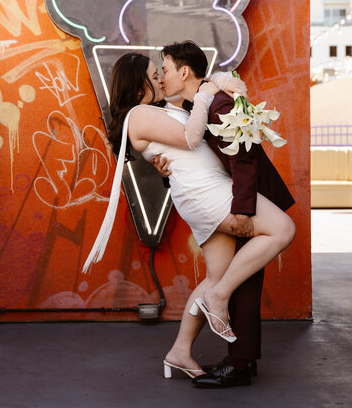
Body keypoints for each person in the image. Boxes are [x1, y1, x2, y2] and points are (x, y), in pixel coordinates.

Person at [86, 47, 295, 388]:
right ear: (138, 83)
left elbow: (187, 133)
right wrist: (205, 97)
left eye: (162, 70)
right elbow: (190, 136)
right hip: (206, 193)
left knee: (216, 276)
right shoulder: (137, 115)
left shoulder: (159, 110)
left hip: (204, 191)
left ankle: (180, 351)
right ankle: (220, 297)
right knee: (282, 230)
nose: (159, 76)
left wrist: (217, 84)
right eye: (154, 73)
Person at [154, 41, 296, 388]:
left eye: (166, 69)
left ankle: (240, 363)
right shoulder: (198, 105)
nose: (161, 78)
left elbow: (243, 158)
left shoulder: (219, 103)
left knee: (242, 283)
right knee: (243, 281)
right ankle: (242, 361)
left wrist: (244, 211)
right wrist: (165, 169)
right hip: (231, 197)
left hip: (244, 197)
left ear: (184, 71)